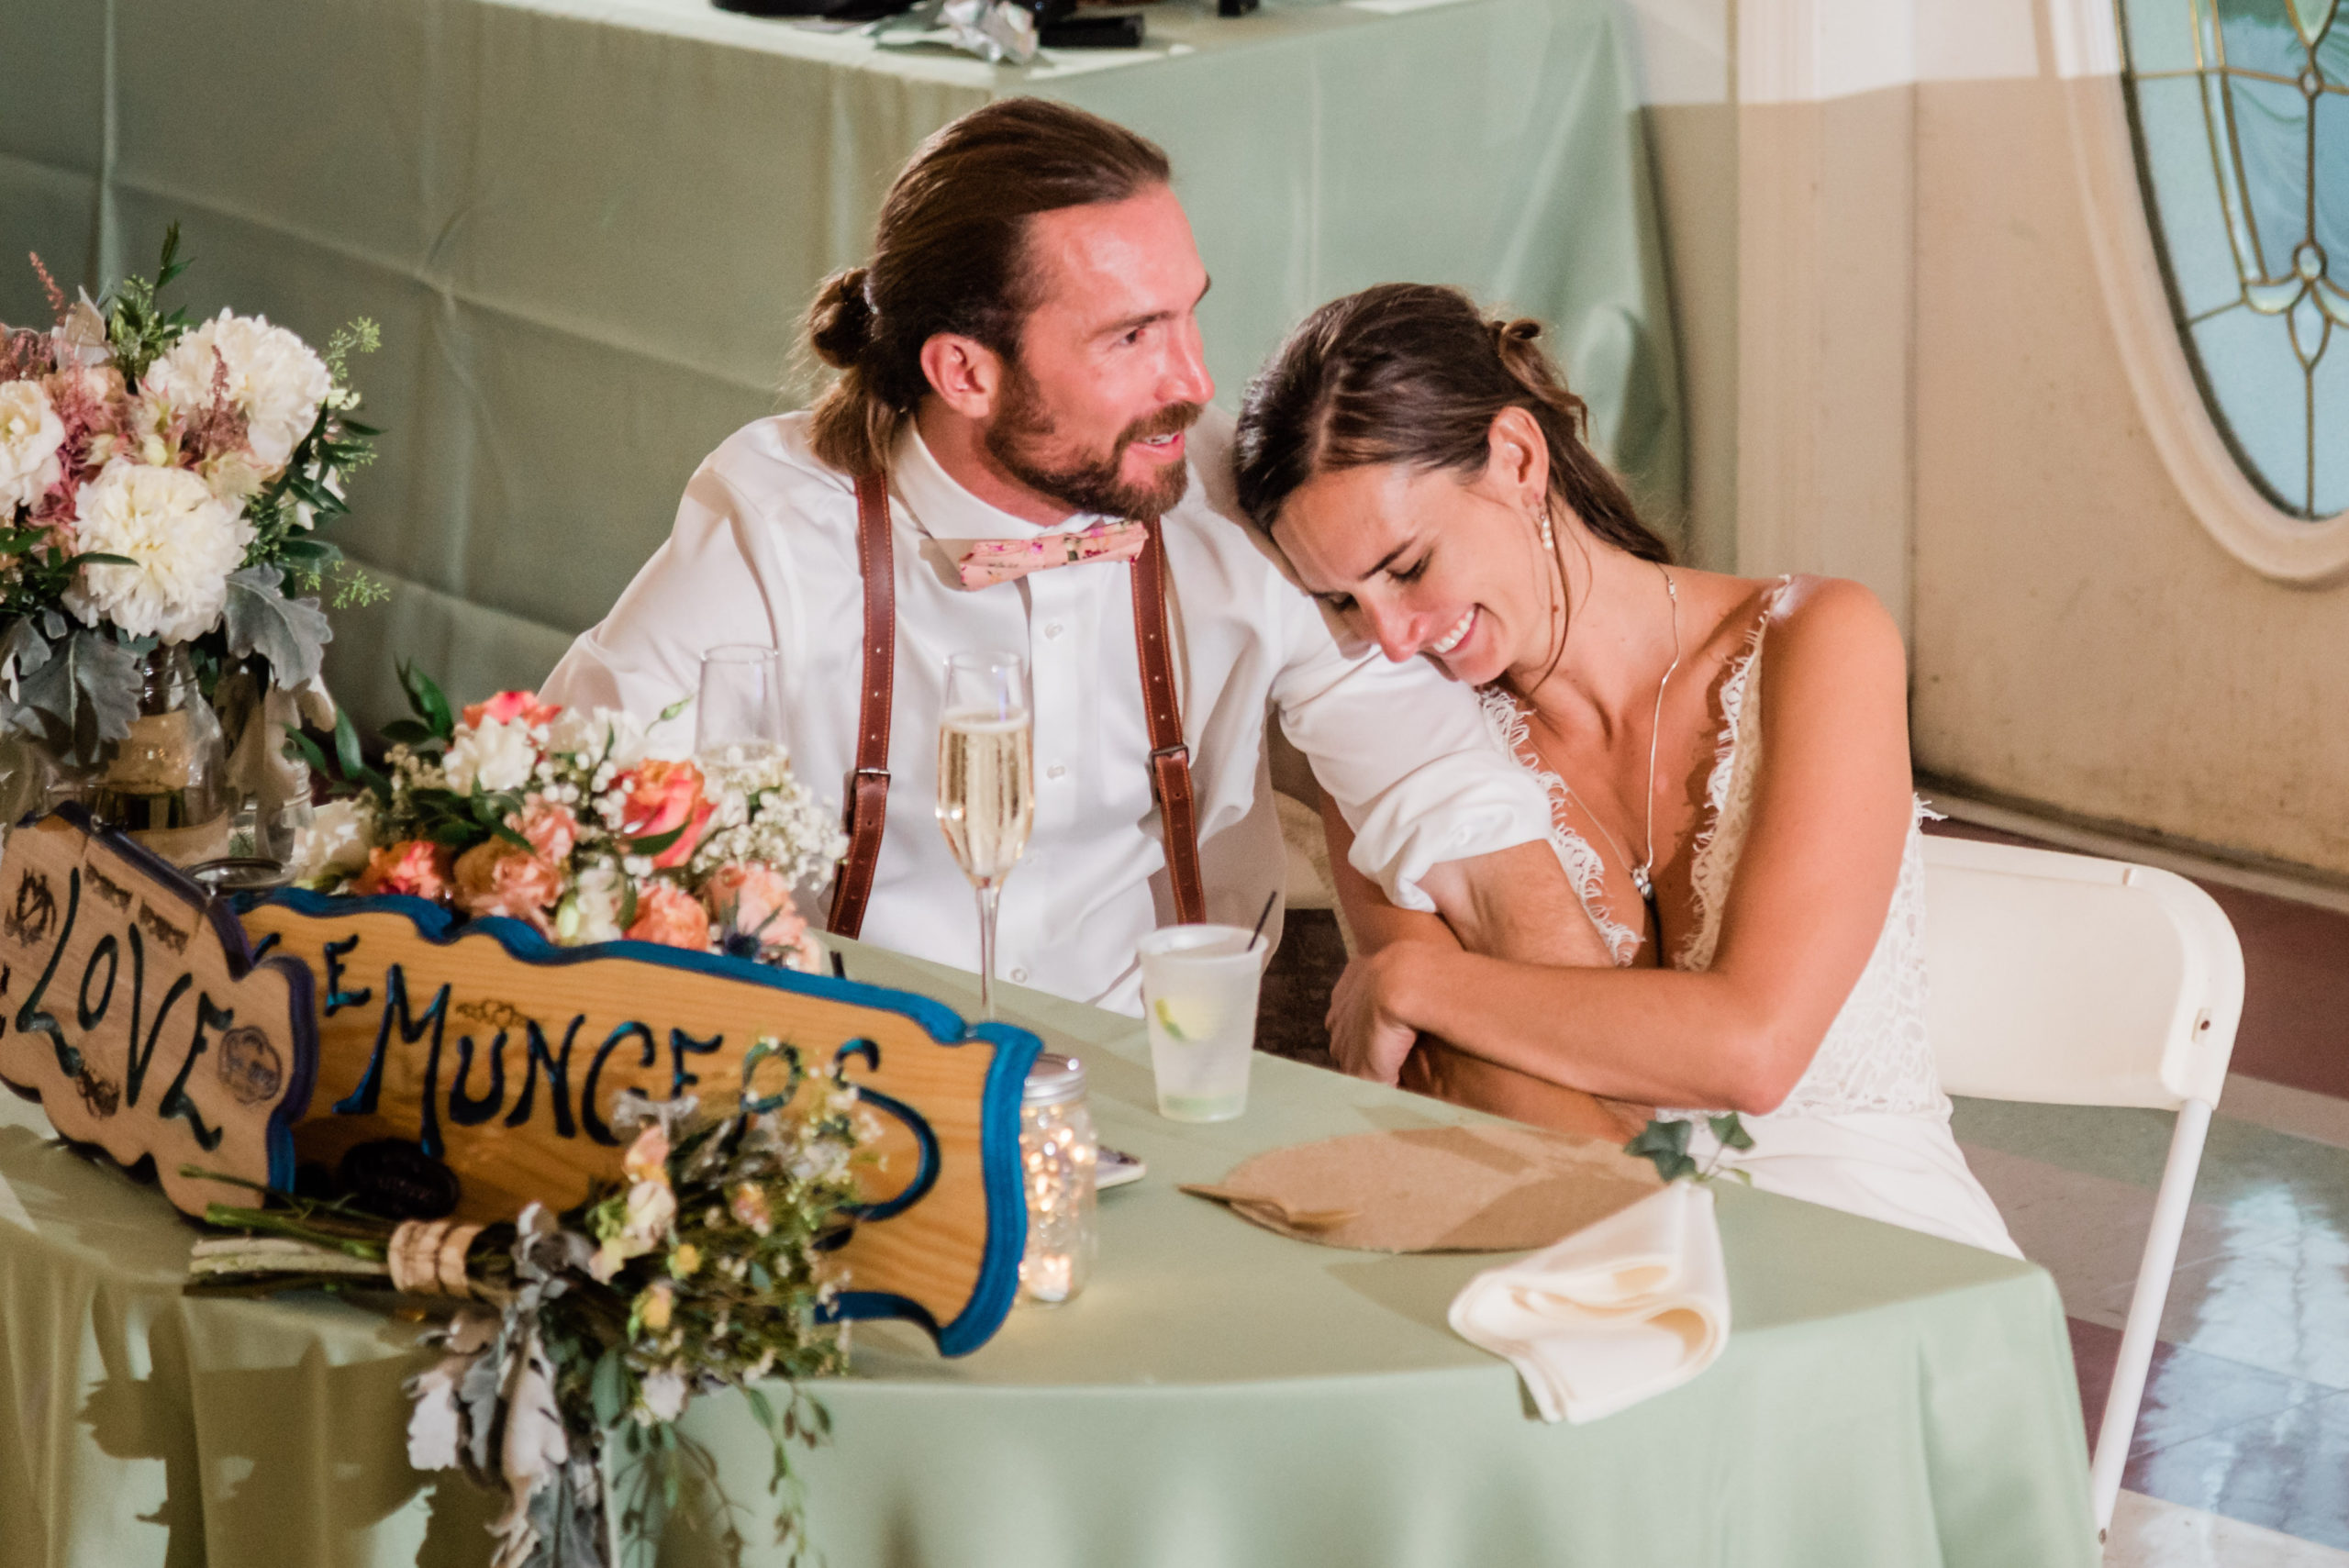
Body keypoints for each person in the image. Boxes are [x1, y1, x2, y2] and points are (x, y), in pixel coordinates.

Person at [541, 102, 1581, 1015]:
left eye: (1190, 313)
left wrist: (1624, 1133)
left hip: (1180, 1072)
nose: (1194, 379)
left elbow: (1445, 796)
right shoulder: (776, 521)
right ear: (963, 371)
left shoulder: (1237, 494)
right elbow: (564, 809)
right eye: (1132, 338)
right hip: (862, 1081)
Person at [1230, 283, 2017, 1256]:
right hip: (1590, 1239)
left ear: (1517, 458)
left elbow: (1755, 1049)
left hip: (1874, 1237)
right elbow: (1457, 1079)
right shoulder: (1402, 757)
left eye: (1407, 566)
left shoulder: (1819, 641)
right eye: (1340, 603)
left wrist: (1414, 982)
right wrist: (1658, 1257)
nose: (1389, 640)